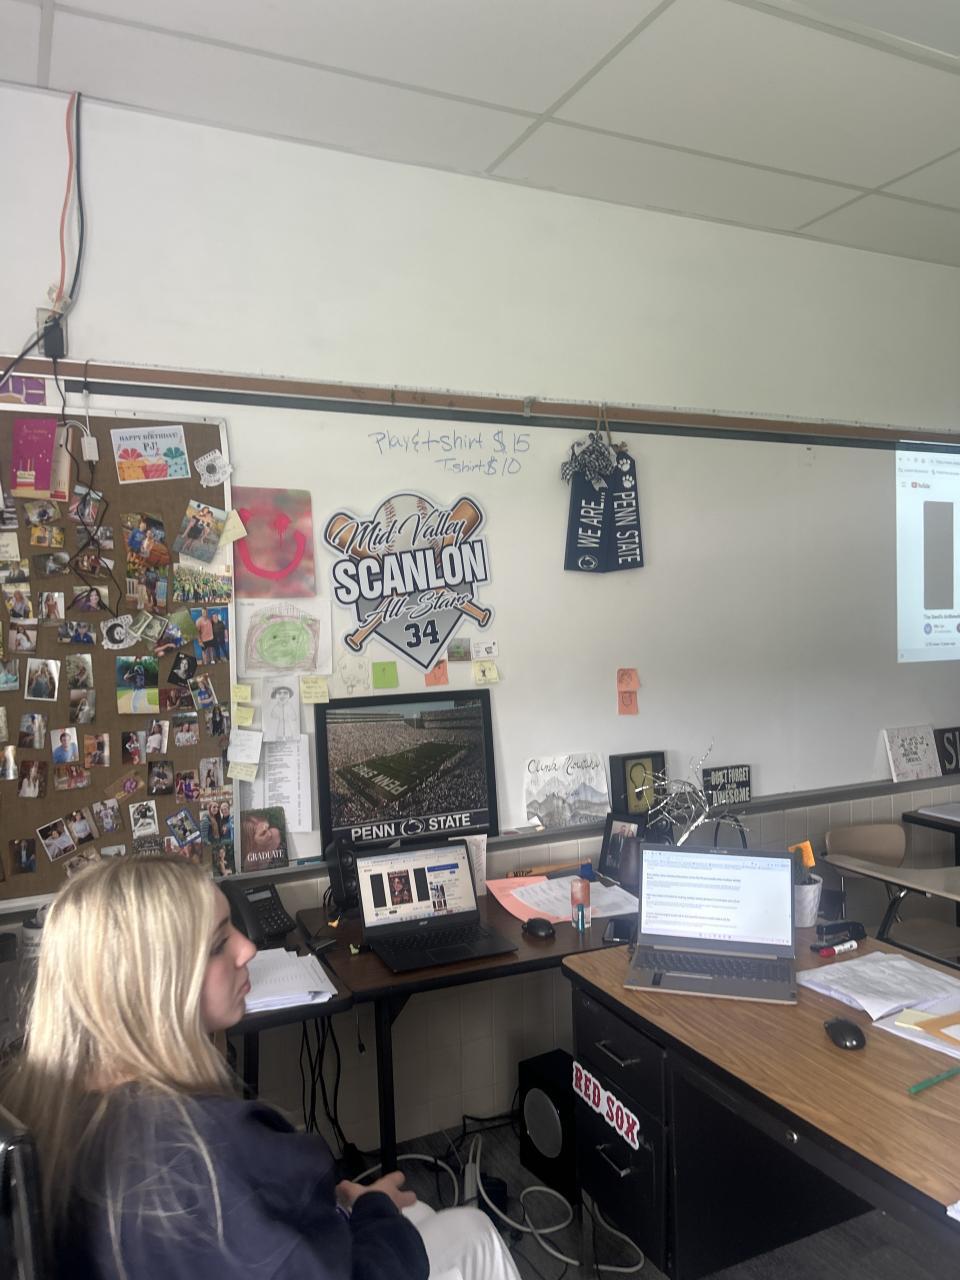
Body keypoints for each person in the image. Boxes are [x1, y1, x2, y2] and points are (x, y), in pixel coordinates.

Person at [0, 857, 517, 1280]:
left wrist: (337, 1199)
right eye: (218, 943)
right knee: (472, 1230)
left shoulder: (50, 1111)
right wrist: (371, 1212)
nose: (248, 948)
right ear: (148, 985)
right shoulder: (205, 1152)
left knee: (418, 1210)